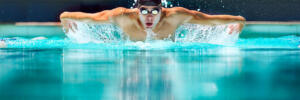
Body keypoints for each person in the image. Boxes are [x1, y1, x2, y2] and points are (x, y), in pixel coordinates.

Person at [60, 0, 245, 41]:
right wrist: (65, 21)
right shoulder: (121, 16)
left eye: (155, 11)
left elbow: (212, 20)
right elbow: (71, 15)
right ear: (136, 10)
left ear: (162, 9)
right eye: (144, 11)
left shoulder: (176, 16)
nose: (149, 16)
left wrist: (239, 22)